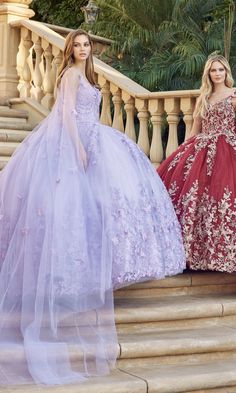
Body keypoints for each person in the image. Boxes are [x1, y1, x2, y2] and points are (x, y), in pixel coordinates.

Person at [0, 29, 185, 385]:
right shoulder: (70, 75)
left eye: (86, 45)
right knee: (70, 208)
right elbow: (66, 114)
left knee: (99, 208)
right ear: (69, 50)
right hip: (75, 140)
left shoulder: (88, 74)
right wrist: (78, 147)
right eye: (78, 45)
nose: (83, 50)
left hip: (96, 138)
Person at [158, 54, 236, 273]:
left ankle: (224, 256)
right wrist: (181, 154)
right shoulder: (203, 98)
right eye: (213, 70)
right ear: (208, 74)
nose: (217, 74)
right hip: (202, 148)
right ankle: (194, 255)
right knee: (193, 198)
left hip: (228, 150)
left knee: (223, 198)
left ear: (226, 72)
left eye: (221, 70)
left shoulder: (233, 95)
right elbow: (194, 130)